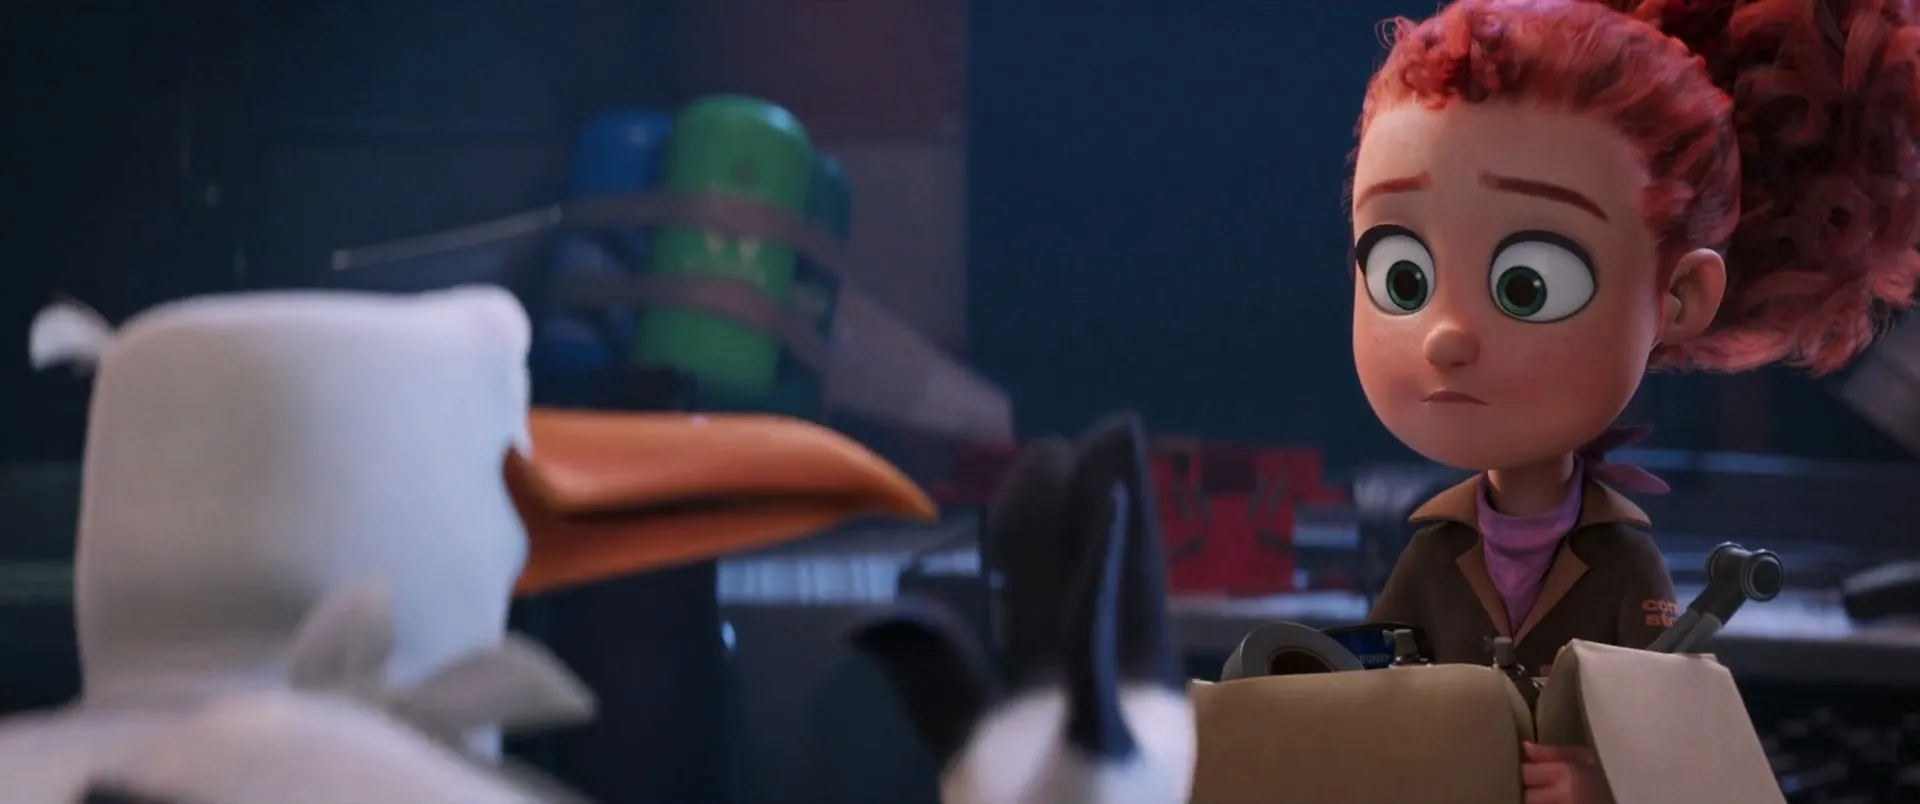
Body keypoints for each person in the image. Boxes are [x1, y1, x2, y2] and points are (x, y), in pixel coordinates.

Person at [1348, 0, 1920, 801]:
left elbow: (1667, 737)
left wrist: (1606, 780)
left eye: (1528, 285)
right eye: (1402, 276)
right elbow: (1369, 694)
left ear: (1680, 296)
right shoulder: (1434, 551)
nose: (1445, 336)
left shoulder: (1619, 561)